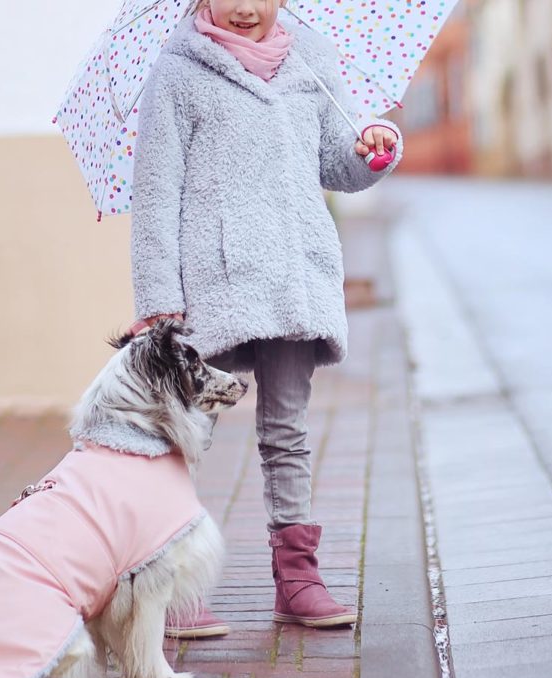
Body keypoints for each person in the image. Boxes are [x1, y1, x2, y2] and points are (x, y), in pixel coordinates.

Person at [130, 0, 402, 637]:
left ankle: (298, 579)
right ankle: (171, 583)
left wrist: (372, 150)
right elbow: (155, 190)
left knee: (287, 429)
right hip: (212, 282)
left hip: (293, 274)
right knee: (186, 429)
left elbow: (338, 164)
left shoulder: (312, 59)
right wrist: (158, 296)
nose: (246, 8)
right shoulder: (177, 71)